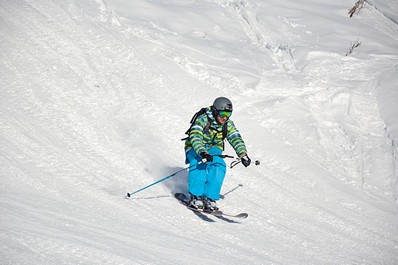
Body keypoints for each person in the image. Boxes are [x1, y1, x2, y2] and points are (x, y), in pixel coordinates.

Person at [184, 97, 251, 211]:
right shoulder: (203, 119)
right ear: (215, 111)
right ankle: (195, 196)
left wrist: (242, 154)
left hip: (214, 148)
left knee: (219, 165)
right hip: (196, 147)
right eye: (223, 113)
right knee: (199, 162)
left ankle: (209, 198)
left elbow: (235, 138)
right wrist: (202, 152)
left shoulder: (227, 124)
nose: (225, 117)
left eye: (228, 114)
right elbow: (195, 136)